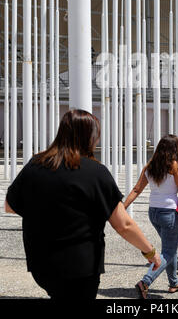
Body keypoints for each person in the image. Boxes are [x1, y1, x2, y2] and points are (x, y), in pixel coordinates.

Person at [5, 109, 160, 300]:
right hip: (80, 267)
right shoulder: (95, 172)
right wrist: (149, 251)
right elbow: (123, 225)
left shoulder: (35, 164)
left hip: (41, 264)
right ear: (89, 137)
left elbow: (10, 206)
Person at [124, 135, 178, 299]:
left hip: (153, 212)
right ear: (175, 149)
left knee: (170, 248)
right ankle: (145, 282)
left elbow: (137, 189)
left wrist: (123, 206)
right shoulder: (173, 166)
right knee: (168, 251)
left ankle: (173, 283)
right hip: (169, 213)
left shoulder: (150, 166)